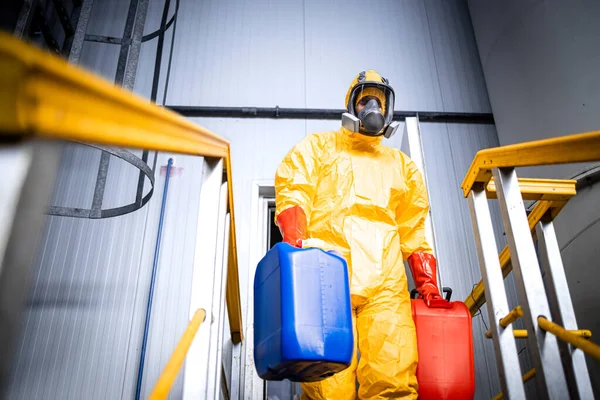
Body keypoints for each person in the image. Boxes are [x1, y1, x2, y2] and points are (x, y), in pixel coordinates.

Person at [274, 70, 448, 399]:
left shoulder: (402, 166)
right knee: (327, 384)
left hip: (386, 288)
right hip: (328, 279)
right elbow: (294, 190)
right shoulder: (319, 147)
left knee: (392, 377)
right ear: (352, 104)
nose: (372, 107)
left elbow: (414, 229)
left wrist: (427, 283)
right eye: (366, 99)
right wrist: (295, 244)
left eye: (379, 101)